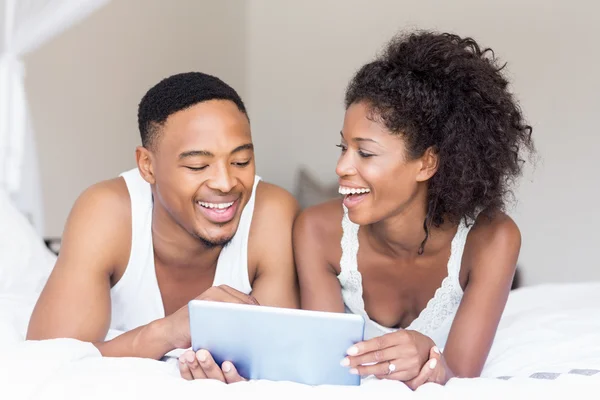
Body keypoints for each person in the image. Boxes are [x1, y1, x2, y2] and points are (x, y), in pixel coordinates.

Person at [293, 31, 533, 389]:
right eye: (343, 147)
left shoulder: (493, 239)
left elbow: (460, 376)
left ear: (427, 163)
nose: (342, 166)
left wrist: (431, 357)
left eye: (365, 152)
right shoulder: (316, 231)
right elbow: (327, 373)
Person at [26, 72, 300, 383]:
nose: (225, 183)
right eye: (198, 166)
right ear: (147, 166)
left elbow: (275, 361)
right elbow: (45, 362)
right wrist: (168, 331)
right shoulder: (107, 213)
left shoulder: (271, 212)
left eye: (241, 162)